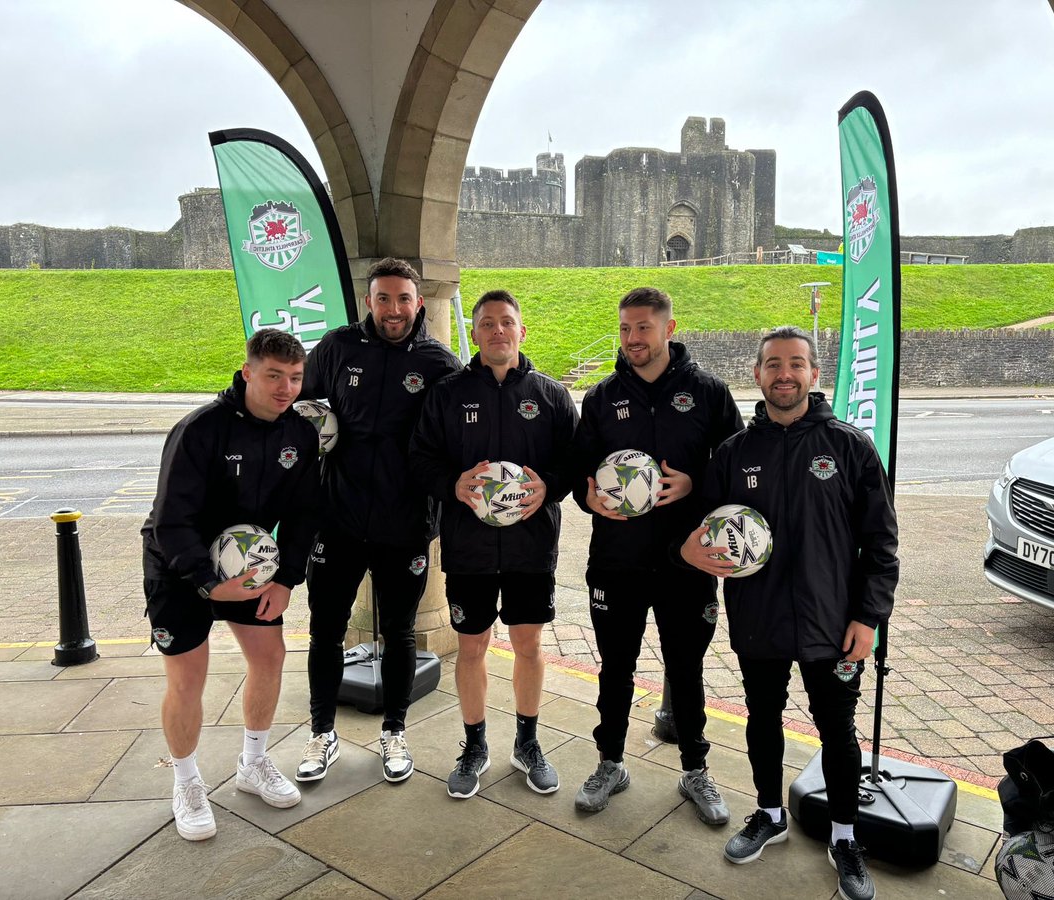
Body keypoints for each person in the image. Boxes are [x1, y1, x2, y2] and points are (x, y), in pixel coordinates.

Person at [680, 325, 899, 900]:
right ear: (757, 374)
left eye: (796, 364)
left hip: (834, 623)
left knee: (837, 731)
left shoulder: (849, 447)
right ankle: (770, 814)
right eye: (773, 364)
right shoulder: (734, 454)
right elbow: (702, 532)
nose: (784, 374)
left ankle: (846, 838)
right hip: (759, 617)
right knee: (762, 718)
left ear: (814, 374)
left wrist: (868, 617)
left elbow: (881, 544)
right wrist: (692, 549)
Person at [571, 287, 743, 823]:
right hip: (616, 560)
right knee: (615, 668)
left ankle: (696, 770)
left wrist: (695, 486)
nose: (631, 339)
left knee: (686, 666)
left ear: (669, 329)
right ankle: (610, 763)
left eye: (643, 328)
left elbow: (736, 468)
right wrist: (590, 496)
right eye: (624, 329)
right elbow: (579, 472)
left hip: (684, 561)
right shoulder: (601, 398)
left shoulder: (709, 393)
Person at [141, 328, 320, 841]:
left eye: (294, 377)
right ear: (247, 373)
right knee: (188, 677)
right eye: (273, 376)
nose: (285, 388)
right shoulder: (199, 430)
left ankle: (253, 763)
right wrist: (205, 582)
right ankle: (187, 782)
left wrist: (286, 580)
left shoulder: (300, 435)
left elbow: (306, 513)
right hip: (179, 566)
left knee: (270, 656)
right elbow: (169, 519)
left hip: (249, 566)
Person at [298, 257, 461, 785]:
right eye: (384, 298)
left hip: (405, 525)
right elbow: (292, 402)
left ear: (419, 302)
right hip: (339, 520)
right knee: (326, 630)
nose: (394, 310)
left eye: (404, 299)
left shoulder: (439, 363)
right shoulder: (337, 347)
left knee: (399, 632)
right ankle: (322, 733)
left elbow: (461, 433)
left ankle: (394, 731)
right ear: (370, 301)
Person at [410, 290, 578, 798]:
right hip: (470, 548)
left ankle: (527, 742)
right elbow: (421, 459)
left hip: (531, 547)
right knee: (472, 646)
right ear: (475, 332)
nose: (498, 331)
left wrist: (549, 485)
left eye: (507, 322)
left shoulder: (549, 395)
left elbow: (574, 463)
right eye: (487, 323)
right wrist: (453, 485)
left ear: (521, 331)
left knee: (528, 645)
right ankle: (474, 744)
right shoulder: (448, 393)